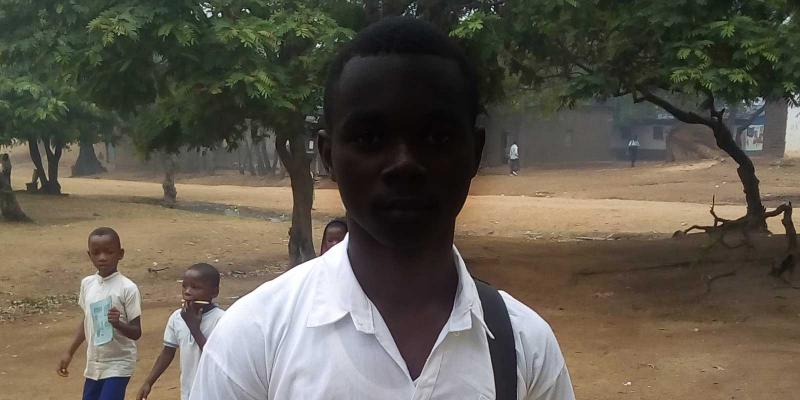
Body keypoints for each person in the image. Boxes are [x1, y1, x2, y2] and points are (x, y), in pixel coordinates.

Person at [190, 17, 574, 400]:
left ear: (474, 153)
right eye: (370, 138)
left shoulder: (525, 347)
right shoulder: (253, 340)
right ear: (328, 157)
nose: (404, 164)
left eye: (437, 137)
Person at [58, 227, 142, 400]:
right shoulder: (87, 284)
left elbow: (136, 332)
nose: (102, 257)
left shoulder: (128, 288)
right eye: (96, 253)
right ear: (89, 255)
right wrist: (69, 352)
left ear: (120, 254)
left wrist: (118, 323)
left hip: (119, 362)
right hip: (94, 363)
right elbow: (87, 320)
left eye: (109, 252)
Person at [136, 263, 224, 400]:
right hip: (188, 392)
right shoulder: (177, 318)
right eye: (184, 286)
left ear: (214, 292)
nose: (187, 291)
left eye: (195, 287)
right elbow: (167, 352)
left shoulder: (221, 320)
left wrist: (194, 328)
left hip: (213, 392)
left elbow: (216, 358)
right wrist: (148, 382)